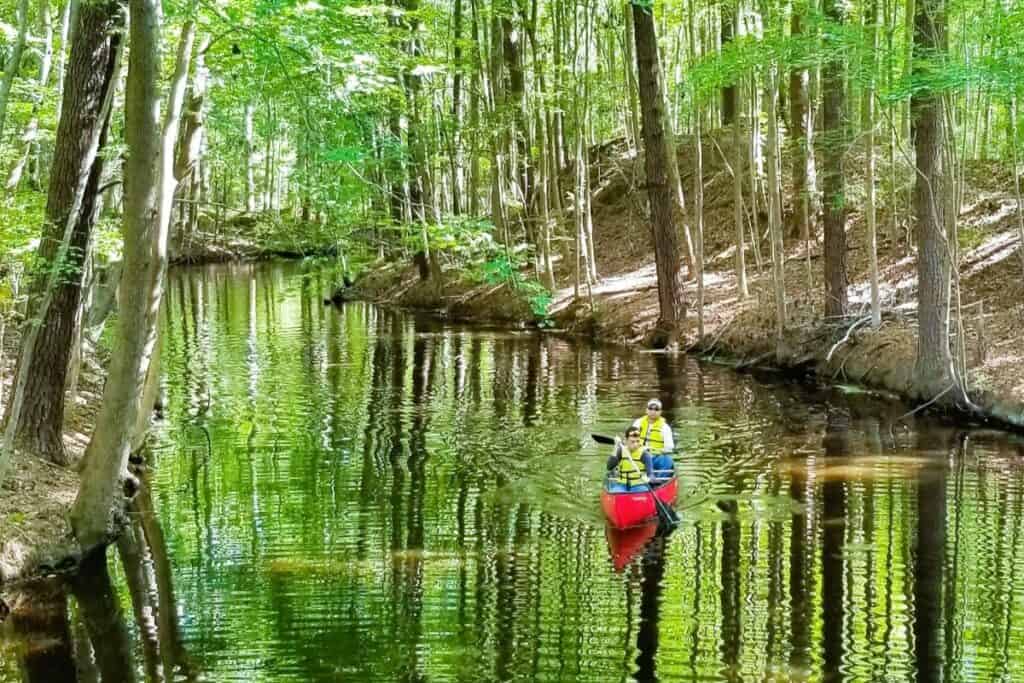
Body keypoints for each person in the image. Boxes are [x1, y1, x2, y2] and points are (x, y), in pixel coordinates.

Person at [633, 398, 675, 482]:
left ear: (660, 412)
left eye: (656, 409)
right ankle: (632, 479)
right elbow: (630, 440)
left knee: (668, 461)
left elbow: (669, 447)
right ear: (646, 410)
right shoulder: (638, 423)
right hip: (640, 455)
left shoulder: (665, 427)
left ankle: (657, 482)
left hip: (656, 457)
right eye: (650, 408)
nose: (653, 411)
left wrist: (657, 450)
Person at [606, 426, 654, 492]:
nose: (636, 444)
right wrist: (616, 446)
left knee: (642, 491)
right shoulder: (620, 451)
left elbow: (651, 474)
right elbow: (609, 467)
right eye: (632, 442)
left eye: (638, 441)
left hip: (638, 485)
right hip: (621, 484)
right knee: (616, 492)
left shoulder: (645, 454)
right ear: (625, 441)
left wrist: (648, 479)